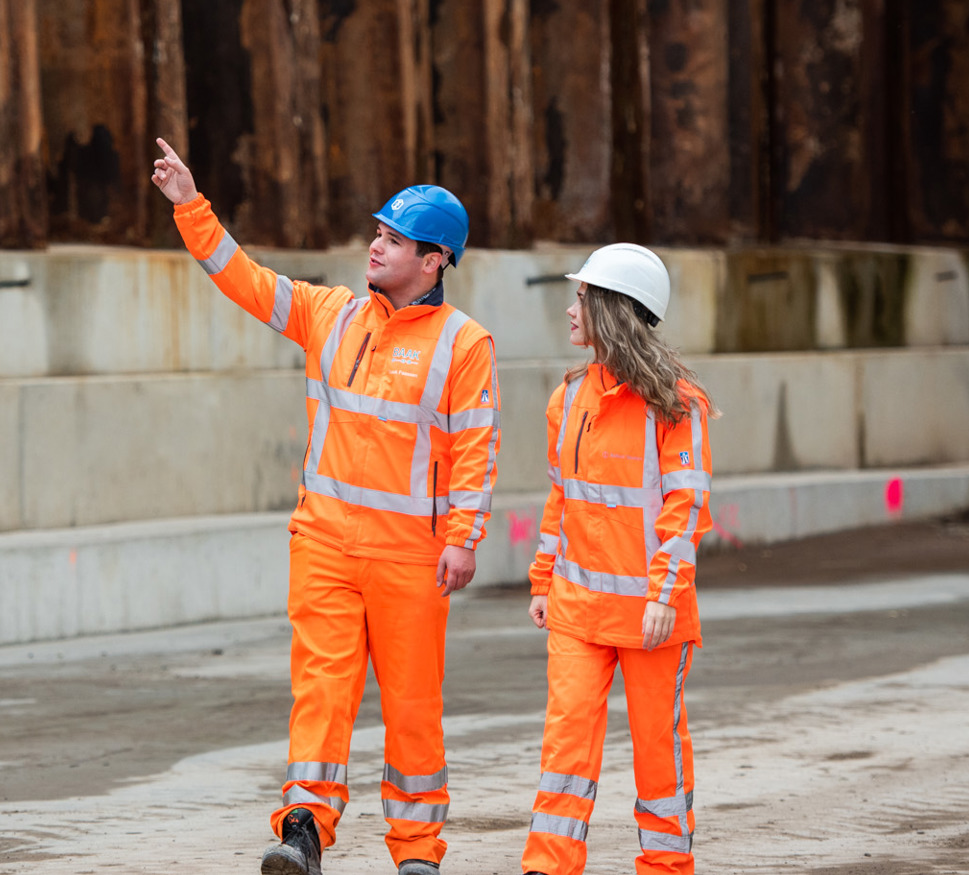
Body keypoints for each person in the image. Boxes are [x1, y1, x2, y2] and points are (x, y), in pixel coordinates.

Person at [150, 139, 501, 875]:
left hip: (413, 557)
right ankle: (303, 827)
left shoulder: (464, 344)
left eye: (393, 239)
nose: (374, 246)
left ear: (434, 260)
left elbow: (477, 445)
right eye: (377, 233)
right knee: (321, 691)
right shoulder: (329, 314)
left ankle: (416, 854)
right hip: (326, 545)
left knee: (412, 708)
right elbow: (242, 279)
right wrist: (191, 204)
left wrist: (465, 537)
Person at [520, 244, 713, 875]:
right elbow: (563, 500)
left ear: (611, 309)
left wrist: (662, 596)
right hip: (578, 611)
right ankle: (548, 867)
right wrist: (544, 579)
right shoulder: (567, 399)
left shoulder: (677, 404)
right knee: (566, 745)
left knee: (658, 751)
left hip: (650, 616)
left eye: (580, 297)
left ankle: (664, 867)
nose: (569, 308)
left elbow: (683, 511)